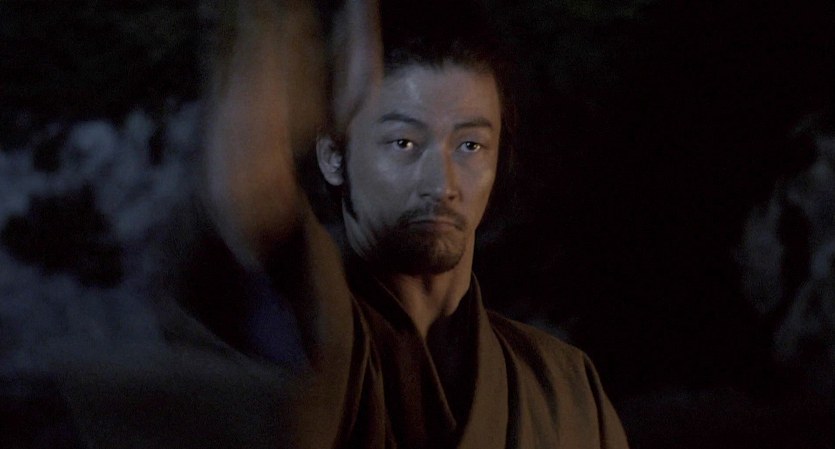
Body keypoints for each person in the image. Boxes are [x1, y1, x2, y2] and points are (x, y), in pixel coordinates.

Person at [55, 1, 630, 448]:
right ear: (334, 156)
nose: (443, 182)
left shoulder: (562, 383)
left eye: (471, 145)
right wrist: (265, 33)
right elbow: (254, 200)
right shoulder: (313, 333)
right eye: (404, 143)